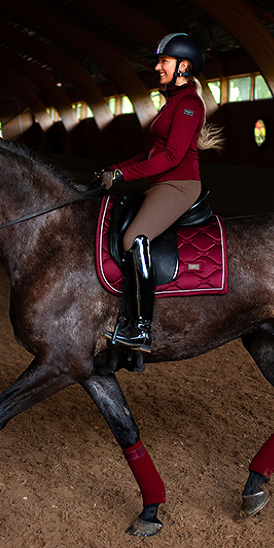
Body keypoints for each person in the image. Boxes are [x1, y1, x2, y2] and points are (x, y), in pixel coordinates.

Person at [99, 32, 224, 354]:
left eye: (164, 61)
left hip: (179, 184)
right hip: (160, 182)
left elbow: (172, 158)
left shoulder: (189, 104)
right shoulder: (172, 102)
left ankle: (139, 327)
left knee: (133, 239)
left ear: (183, 66)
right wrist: (115, 170)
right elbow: (149, 153)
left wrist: (125, 174)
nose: (157, 67)